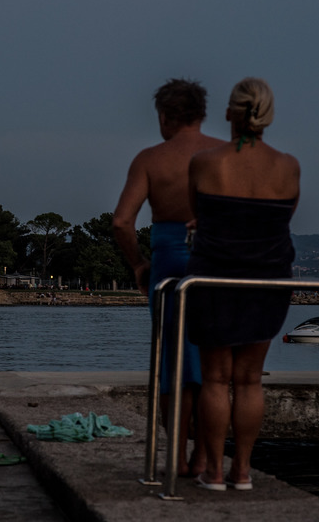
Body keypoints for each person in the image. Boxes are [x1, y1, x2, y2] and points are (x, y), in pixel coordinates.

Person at [186, 77, 300, 491]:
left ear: (231, 113)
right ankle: (243, 472)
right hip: (268, 279)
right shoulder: (288, 166)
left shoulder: (206, 162)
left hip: (214, 276)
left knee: (216, 377)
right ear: (267, 115)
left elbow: (198, 213)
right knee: (250, 379)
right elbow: (279, 221)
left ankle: (214, 473)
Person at [112, 78, 224, 477]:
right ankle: (205, 460)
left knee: (171, 364)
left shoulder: (150, 159)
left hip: (168, 265)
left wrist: (138, 264)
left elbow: (123, 222)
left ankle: (175, 457)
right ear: (202, 113)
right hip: (215, 262)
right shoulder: (223, 154)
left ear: (163, 117)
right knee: (213, 366)